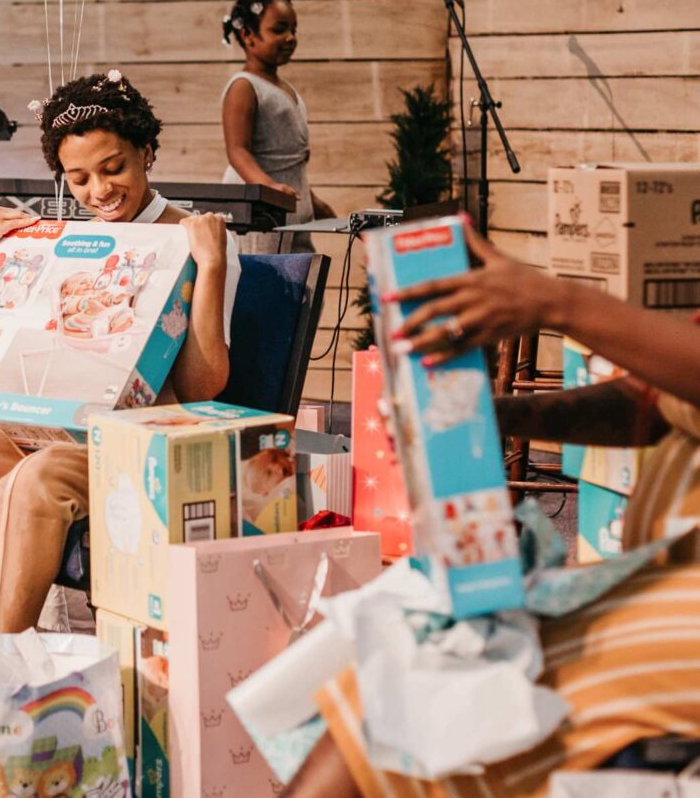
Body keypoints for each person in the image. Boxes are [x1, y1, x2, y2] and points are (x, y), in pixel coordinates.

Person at [0, 71, 241, 774]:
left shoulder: (189, 236)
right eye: (78, 178)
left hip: (143, 439)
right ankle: (15, 682)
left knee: (35, 481)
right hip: (57, 423)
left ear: (148, 153)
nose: (99, 190)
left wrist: (210, 268)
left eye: (114, 168)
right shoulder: (73, 237)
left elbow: (204, 386)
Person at [282, 227, 700, 797]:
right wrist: (488, 415)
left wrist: (556, 302)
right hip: (658, 573)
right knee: (399, 648)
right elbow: (658, 404)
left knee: (429, 699)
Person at [221, 0, 335, 254]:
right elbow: (238, 151)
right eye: (279, 29)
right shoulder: (244, 86)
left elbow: (290, 165)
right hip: (260, 210)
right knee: (264, 274)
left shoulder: (284, 88)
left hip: (291, 208)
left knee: (302, 275)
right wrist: (269, 187)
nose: (290, 37)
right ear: (248, 35)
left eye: (293, 29)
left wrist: (312, 201)